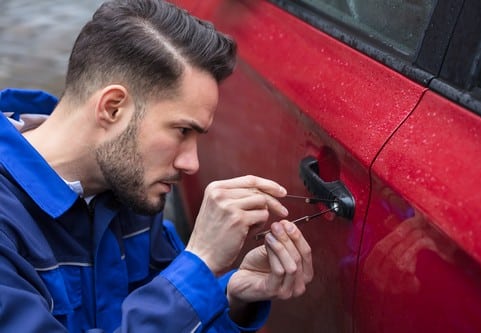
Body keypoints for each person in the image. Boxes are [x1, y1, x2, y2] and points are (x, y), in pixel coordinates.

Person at [0, 0, 313, 332]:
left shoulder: (128, 187)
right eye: (182, 131)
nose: (191, 164)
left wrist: (231, 300)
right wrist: (200, 262)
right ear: (113, 108)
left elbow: (173, 311)